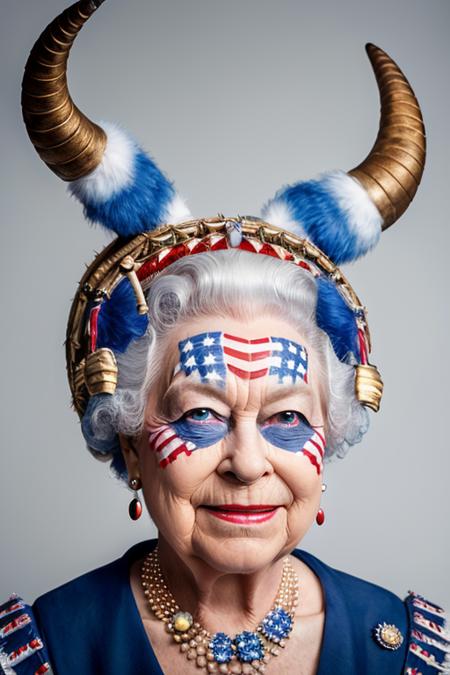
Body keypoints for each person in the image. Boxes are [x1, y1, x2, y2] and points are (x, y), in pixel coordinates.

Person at [0, 0, 447, 673]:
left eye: (289, 416)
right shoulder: (42, 652)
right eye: (201, 412)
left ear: (331, 433)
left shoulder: (415, 652)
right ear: (129, 436)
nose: (247, 461)